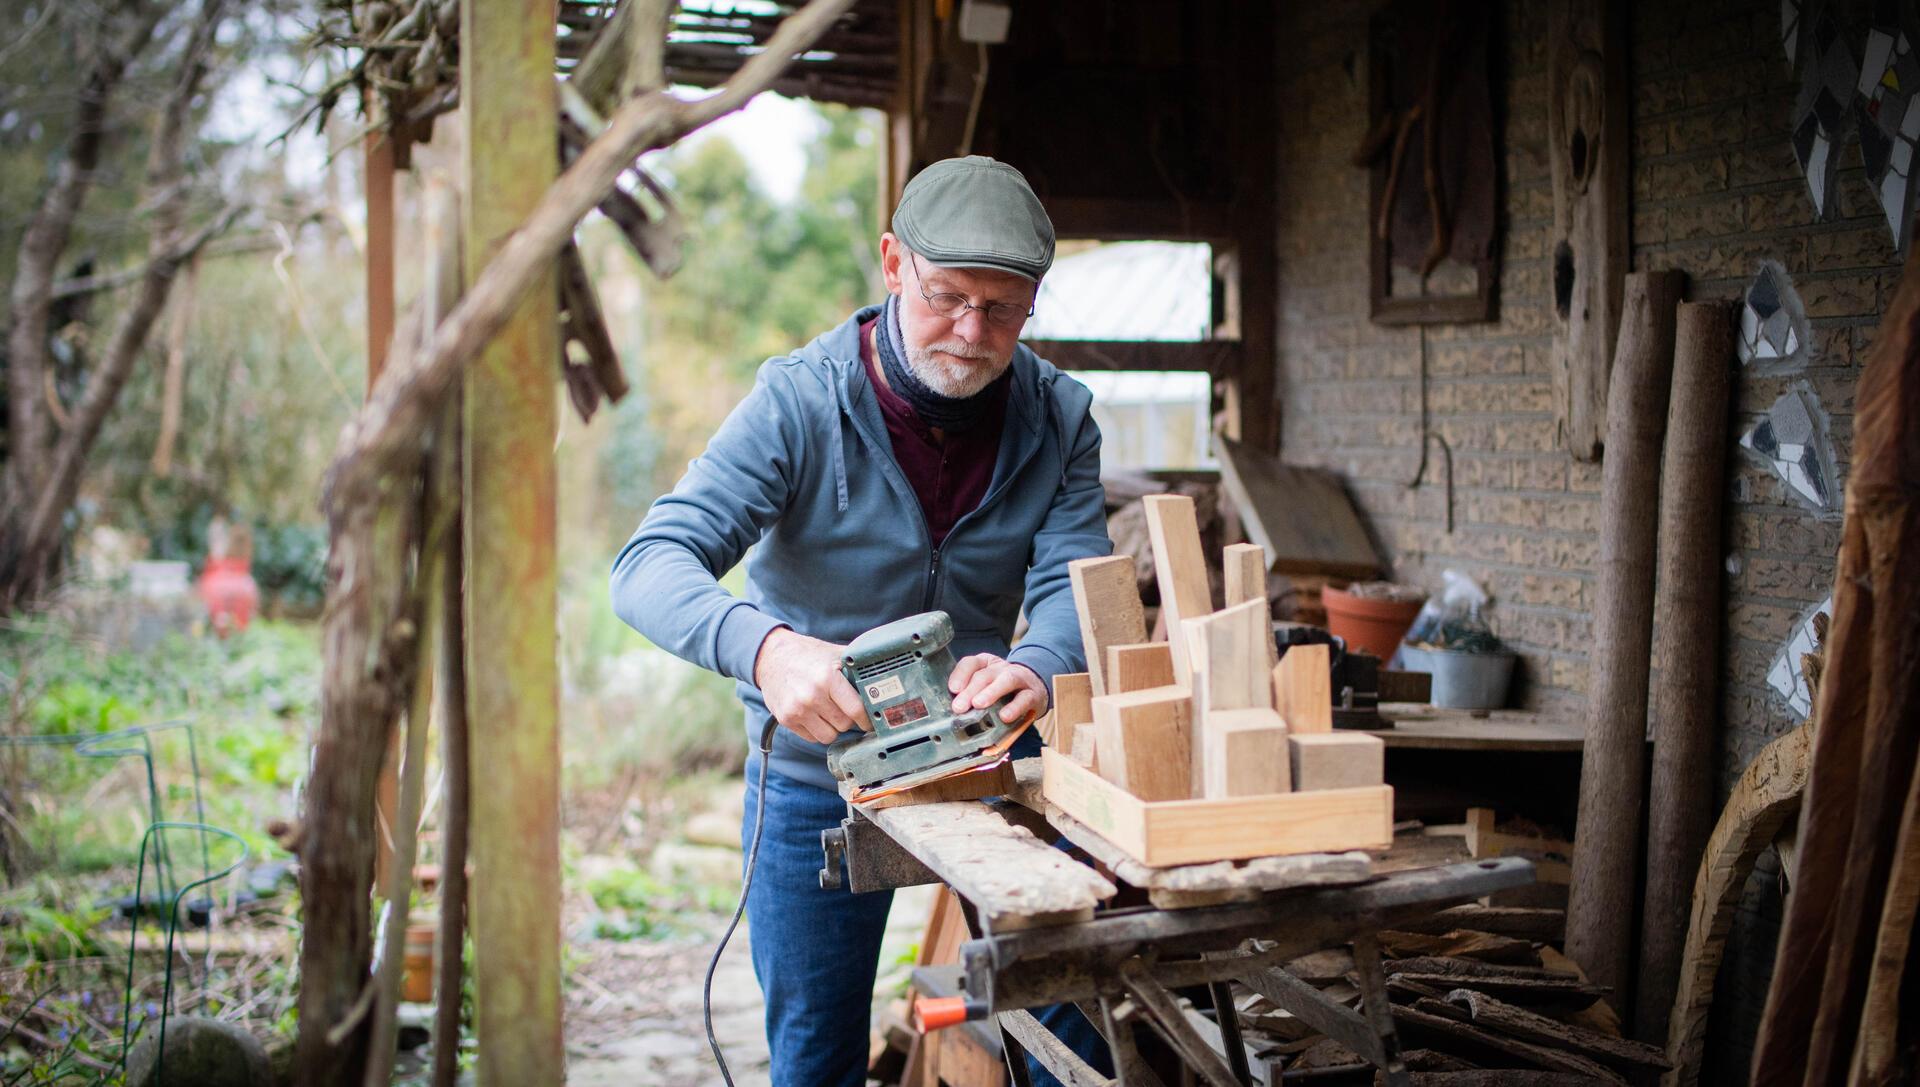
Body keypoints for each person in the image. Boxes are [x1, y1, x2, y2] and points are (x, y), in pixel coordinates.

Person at [611, 155, 1114, 1086]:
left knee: (1069, 1032)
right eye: (947, 297)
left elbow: (1076, 579)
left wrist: (1040, 662)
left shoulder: (1061, 419)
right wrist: (763, 649)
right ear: (892, 263)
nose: (971, 333)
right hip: (813, 775)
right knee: (815, 1055)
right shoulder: (798, 402)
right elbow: (647, 565)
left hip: (994, 764)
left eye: (1003, 309)